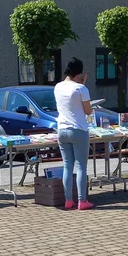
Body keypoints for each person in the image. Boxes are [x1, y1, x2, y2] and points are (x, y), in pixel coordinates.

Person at [54, 57, 94, 210]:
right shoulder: (81, 89)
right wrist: (82, 85)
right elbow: (88, 110)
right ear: (79, 75)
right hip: (78, 130)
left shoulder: (57, 87)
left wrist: (80, 84)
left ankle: (68, 200)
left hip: (62, 130)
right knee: (82, 167)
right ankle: (82, 201)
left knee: (67, 166)